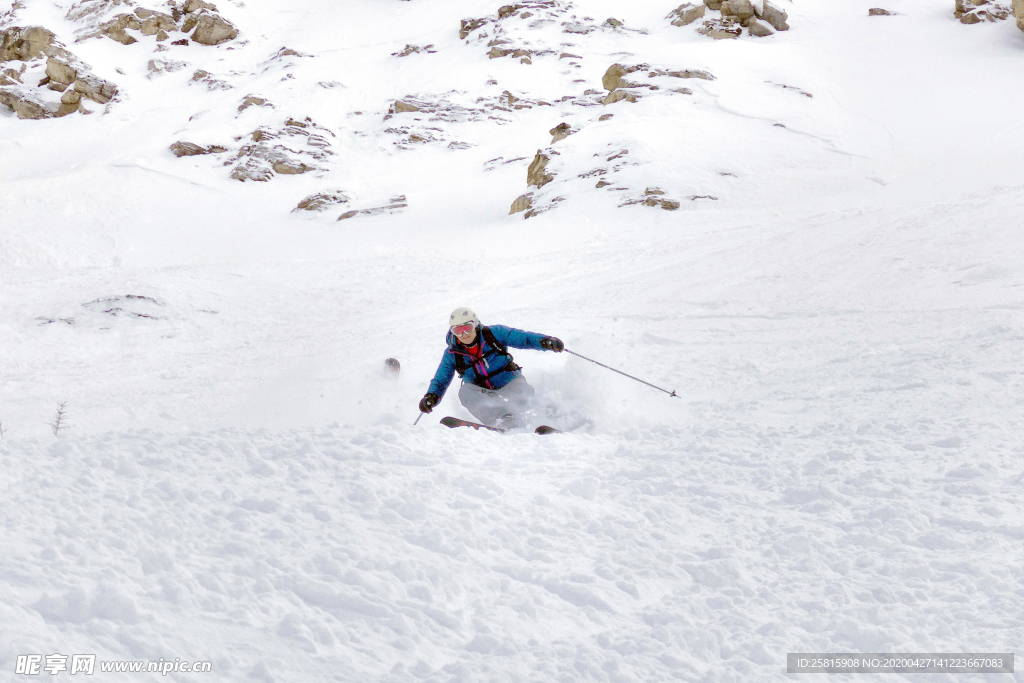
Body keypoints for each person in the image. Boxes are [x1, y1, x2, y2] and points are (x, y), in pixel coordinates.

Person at [418, 307, 564, 429]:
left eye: (467, 328)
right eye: (458, 330)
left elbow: (523, 338)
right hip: (483, 392)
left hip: (509, 382)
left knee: (524, 398)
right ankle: (504, 420)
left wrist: (545, 342)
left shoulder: (494, 334)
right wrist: (432, 396)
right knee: (465, 392)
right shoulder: (452, 354)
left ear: (475, 324)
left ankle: (549, 417)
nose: (464, 334)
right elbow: (441, 380)